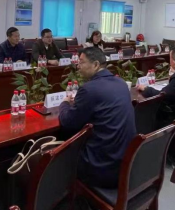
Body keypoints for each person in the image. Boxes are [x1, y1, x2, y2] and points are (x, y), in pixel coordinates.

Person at [59, 47, 137, 189]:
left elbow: (68, 122)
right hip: (126, 161)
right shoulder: (121, 83)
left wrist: (64, 104)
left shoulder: (89, 89)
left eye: (81, 62)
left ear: (95, 64)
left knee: (58, 150)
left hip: (101, 166)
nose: (78, 66)